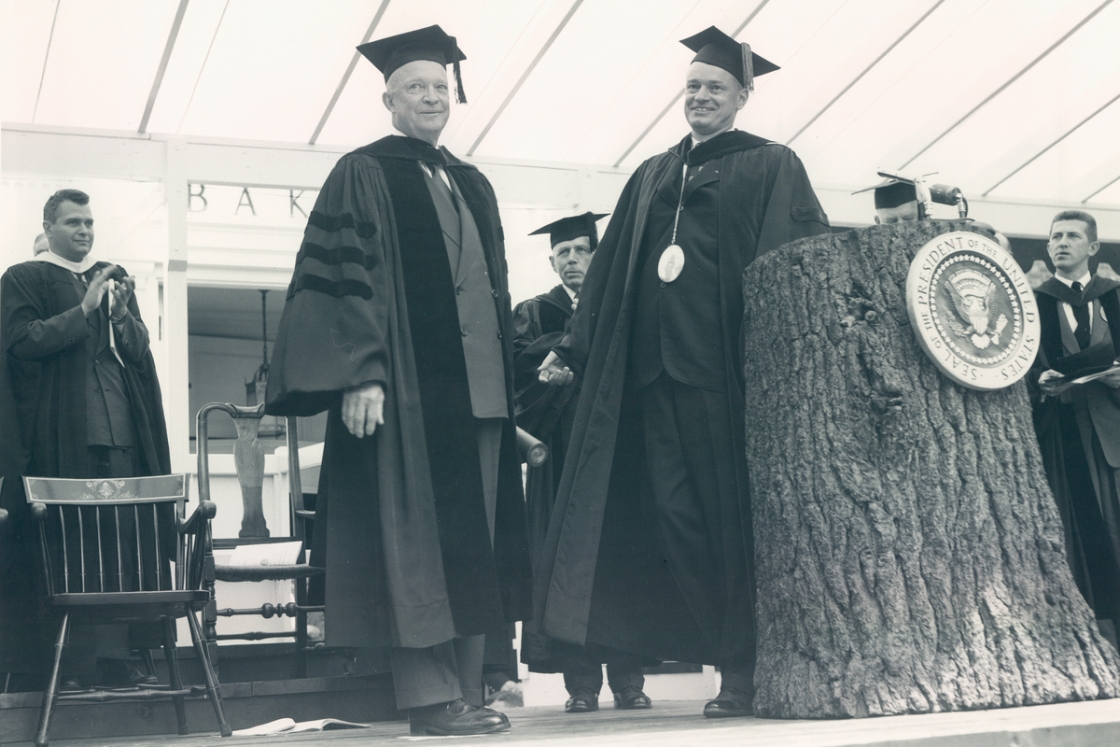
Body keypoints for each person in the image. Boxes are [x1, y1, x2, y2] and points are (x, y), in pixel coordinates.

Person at [535, 26, 830, 718]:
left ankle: (741, 670)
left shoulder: (771, 165)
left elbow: (797, 268)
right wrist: (573, 349)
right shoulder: (651, 174)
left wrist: (779, 367)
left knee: (730, 524)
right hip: (647, 384)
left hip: (725, 382)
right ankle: (693, 653)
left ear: (743, 95)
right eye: (693, 86)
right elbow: (608, 278)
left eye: (715, 88)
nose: (701, 96)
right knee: (669, 521)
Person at [264, 26, 531, 737]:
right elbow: (346, 281)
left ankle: (467, 689)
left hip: (480, 394)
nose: (433, 98)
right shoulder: (364, 171)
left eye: (442, 87)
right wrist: (361, 374)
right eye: (418, 87)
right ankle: (428, 697)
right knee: (416, 542)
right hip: (409, 391)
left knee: (475, 537)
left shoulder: (472, 181)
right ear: (388, 98)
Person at [0, 189, 169, 690]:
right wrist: (85, 308)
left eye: (90, 222)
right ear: (49, 227)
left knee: (121, 541)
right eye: (73, 222)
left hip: (121, 430)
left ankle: (118, 659)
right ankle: (68, 666)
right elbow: (21, 342)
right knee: (70, 544)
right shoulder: (23, 277)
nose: (85, 231)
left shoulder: (112, 278)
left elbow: (139, 355)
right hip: (63, 433)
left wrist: (118, 314)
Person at [514, 213, 653, 713]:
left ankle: (630, 681)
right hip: (560, 458)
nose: (572, 260)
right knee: (566, 567)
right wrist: (569, 349)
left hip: (616, 458)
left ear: (597, 254)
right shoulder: (533, 311)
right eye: (562, 253)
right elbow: (521, 367)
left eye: (581, 250)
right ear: (551, 261)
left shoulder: (620, 306)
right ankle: (581, 686)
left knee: (620, 564)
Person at [1031, 210, 1120, 648]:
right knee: (1082, 537)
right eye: (1055, 237)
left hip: (1115, 436)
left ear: (1093, 247)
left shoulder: (1116, 296)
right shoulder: (1034, 303)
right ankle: (1099, 639)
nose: (1061, 243)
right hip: (1066, 441)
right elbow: (1024, 374)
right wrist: (1039, 383)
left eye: (1071, 236)